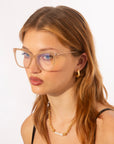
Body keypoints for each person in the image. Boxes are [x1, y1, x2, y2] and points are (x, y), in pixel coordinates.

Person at [13, 6, 114, 144]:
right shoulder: (30, 128)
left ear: (80, 62)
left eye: (47, 56)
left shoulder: (108, 128)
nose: (32, 68)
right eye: (26, 54)